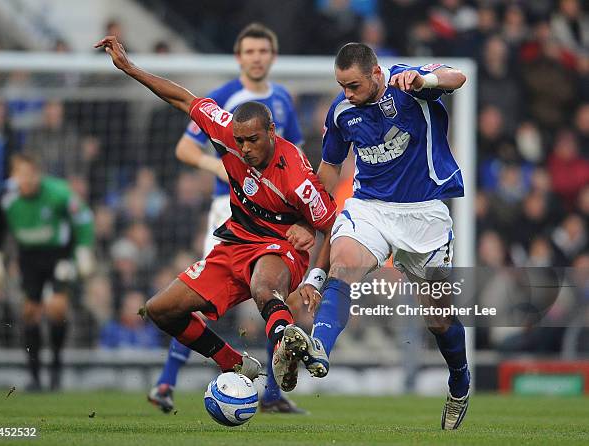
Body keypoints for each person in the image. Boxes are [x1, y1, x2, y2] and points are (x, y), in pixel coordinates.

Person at [95, 34, 336, 406]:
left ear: (272, 133)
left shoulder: (297, 180)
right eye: (239, 141)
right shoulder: (228, 132)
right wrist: (130, 68)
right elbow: (183, 98)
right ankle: (234, 362)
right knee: (161, 309)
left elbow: (332, 224)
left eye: (253, 140)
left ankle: (287, 340)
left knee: (263, 287)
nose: (245, 149)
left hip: (280, 245)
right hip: (236, 240)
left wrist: (314, 264)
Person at [275, 43, 470, 430]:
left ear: (375, 73)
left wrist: (424, 78)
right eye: (341, 86)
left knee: (440, 320)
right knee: (343, 265)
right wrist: (306, 215)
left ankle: (460, 382)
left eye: (353, 85)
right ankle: (319, 348)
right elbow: (329, 170)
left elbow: (457, 76)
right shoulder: (342, 112)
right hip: (371, 208)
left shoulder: (408, 83)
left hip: (425, 213)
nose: (346, 94)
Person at [150, 23, 306, 414]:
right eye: (250, 51)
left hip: (279, 220)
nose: (257, 58)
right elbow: (185, 148)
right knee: (197, 296)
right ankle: (167, 382)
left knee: (273, 293)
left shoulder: (282, 99)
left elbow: (298, 155)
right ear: (239, 57)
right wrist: (218, 167)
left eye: (263, 51)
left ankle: (272, 388)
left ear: (272, 57)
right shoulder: (224, 96)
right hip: (231, 210)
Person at [0, 152, 96, 390]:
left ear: (37, 174)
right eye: (19, 174)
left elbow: (83, 218)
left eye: (29, 174)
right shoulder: (5, 196)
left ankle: (56, 367)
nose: (25, 180)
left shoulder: (58, 192)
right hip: (29, 257)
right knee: (30, 312)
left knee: (56, 308)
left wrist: (84, 250)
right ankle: (34, 377)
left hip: (59, 255)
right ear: (13, 175)